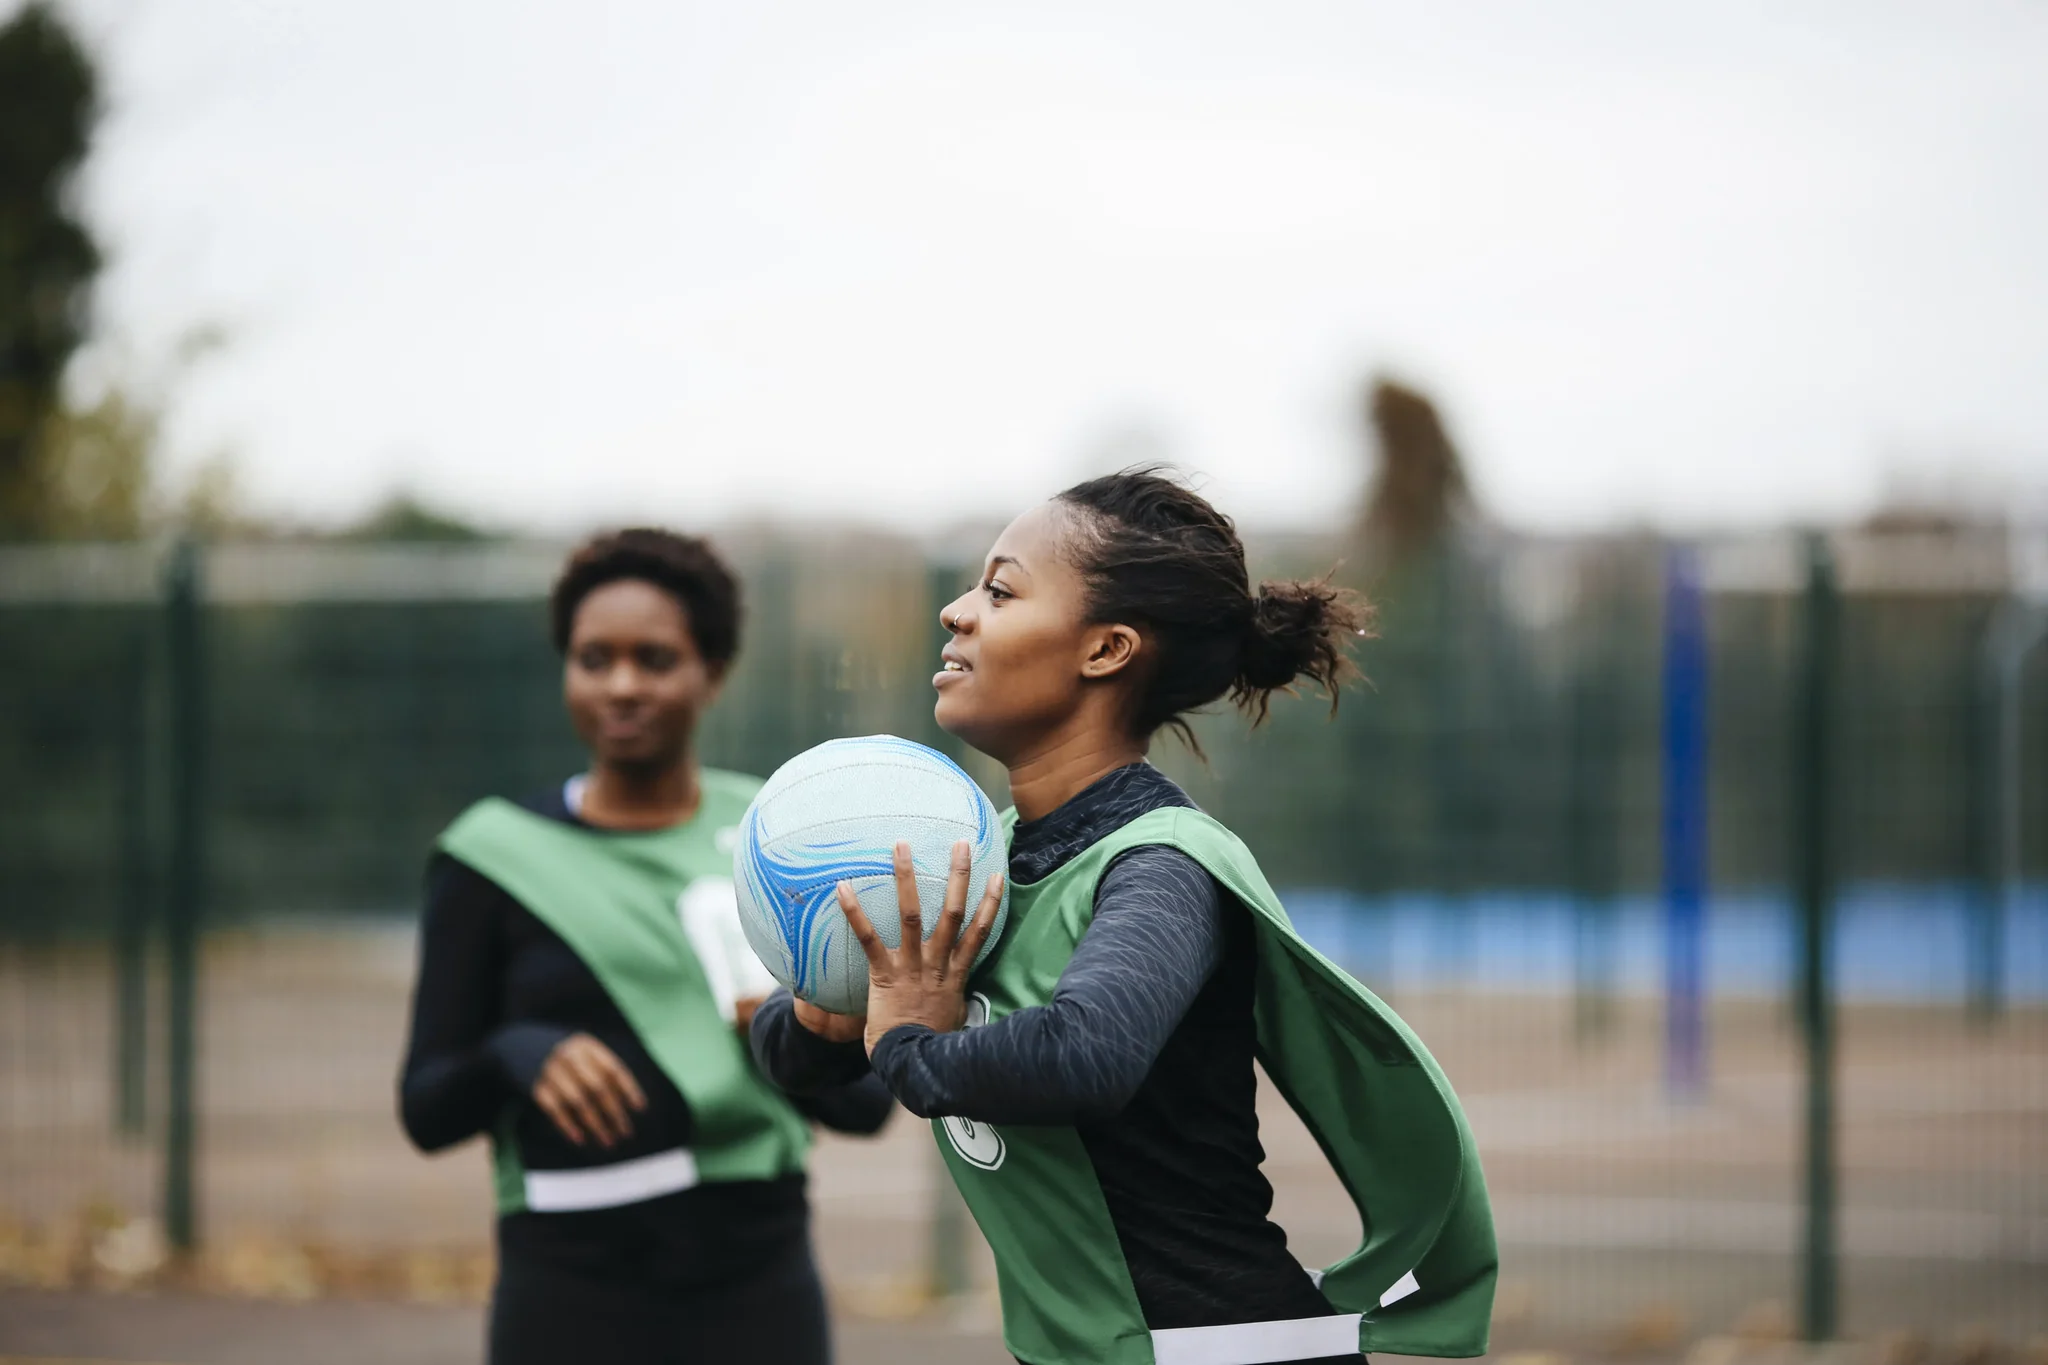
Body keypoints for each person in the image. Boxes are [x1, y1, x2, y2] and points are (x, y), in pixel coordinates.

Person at [753, 469, 1496, 1365]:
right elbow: (814, 1061)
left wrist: (908, 1042)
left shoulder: (1162, 863)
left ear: (1106, 650)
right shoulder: (985, 858)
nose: (956, 611)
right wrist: (822, 1017)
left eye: (1000, 590)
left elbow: (1085, 1055)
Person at [399, 528, 892, 1365]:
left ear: (713, 672)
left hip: (758, 1270)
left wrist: (793, 1033)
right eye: (594, 659)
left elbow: (864, 1105)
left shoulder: (777, 838)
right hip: (568, 1276)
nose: (621, 685)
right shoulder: (492, 855)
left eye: (655, 659)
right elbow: (428, 1108)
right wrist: (517, 1051)